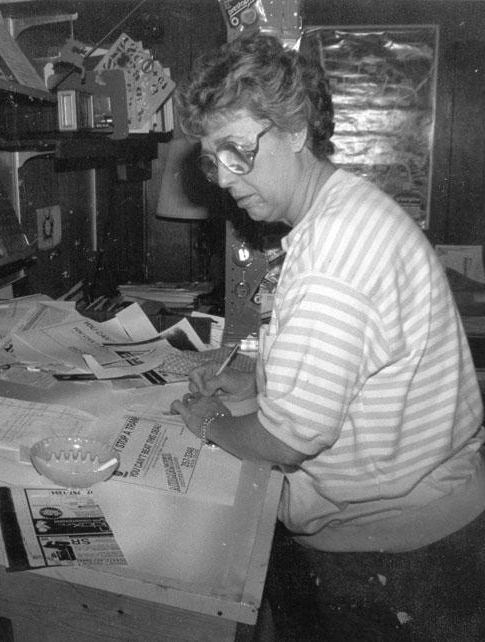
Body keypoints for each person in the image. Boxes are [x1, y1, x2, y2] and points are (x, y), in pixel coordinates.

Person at [169, 31, 485, 642]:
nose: (225, 177)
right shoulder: (345, 210)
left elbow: (288, 440)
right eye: (213, 158)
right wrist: (259, 376)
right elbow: (360, 365)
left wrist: (209, 422)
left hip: (399, 556)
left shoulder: (332, 255)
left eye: (238, 150)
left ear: (293, 131)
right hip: (430, 524)